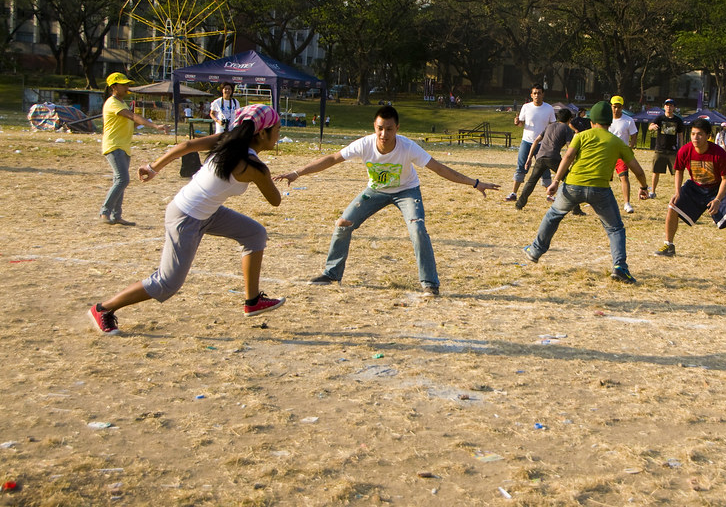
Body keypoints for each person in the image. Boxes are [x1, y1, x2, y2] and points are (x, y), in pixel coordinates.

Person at [88, 104, 286, 335]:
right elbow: (275, 200)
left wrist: (154, 167)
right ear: (262, 133)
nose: (279, 135)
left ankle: (252, 302)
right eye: (278, 129)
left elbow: (187, 145)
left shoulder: (227, 140)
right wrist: (266, 175)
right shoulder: (254, 167)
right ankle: (103, 309)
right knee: (166, 284)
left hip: (208, 212)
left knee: (255, 234)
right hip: (185, 216)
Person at [276, 105, 498, 296]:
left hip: (407, 191)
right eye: (380, 128)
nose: (384, 134)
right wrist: (297, 172)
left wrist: (475, 183)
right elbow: (332, 159)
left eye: (389, 129)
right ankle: (332, 274)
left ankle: (430, 284)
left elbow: (439, 168)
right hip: (376, 191)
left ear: (397, 129)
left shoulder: (408, 146)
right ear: (374, 127)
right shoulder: (364, 144)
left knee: (417, 228)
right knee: (343, 223)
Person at [523, 101, 649, 284]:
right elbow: (638, 170)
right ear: (609, 123)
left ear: (592, 122)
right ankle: (620, 267)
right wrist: (644, 187)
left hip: (573, 185)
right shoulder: (617, 142)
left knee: (553, 215)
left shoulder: (581, 136)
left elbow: (567, 157)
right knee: (615, 228)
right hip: (600, 190)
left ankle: (535, 251)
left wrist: (556, 181)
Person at [653, 118, 726, 264]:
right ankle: (669, 245)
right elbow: (679, 171)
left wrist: (718, 199)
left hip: (717, 187)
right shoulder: (685, 150)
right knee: (672, 207)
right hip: (695, 186)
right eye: (693, 134)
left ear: (708, 136)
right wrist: (677, 192)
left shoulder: (718, 153)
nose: (696, 137)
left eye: (700, 134)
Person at [100, 72, 169, 226]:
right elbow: (132, 117)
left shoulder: (121, 103)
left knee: (119, 181)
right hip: (114, 146)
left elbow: (131, 122)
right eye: (123, 84)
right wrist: (155, 126)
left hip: (123, 146)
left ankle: (116, 215)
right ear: (114, 87)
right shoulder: (113, 103)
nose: (127, 87)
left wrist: (146, 121)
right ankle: (105, 212)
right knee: (122, 179)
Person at [517, 108, 583, 215]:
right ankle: (576, 210)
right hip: (553, 158)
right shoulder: (566, 128)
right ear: (569, 119)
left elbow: (537, 140)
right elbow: (569, 146)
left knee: (531, 182)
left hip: (540, 157)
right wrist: (572, 160)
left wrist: (529, 158)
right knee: (569, 180)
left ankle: (519, 204)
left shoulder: (549, 126)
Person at [506, 84, 556, 202]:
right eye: (534, 93)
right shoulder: (526, 107)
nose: (537, 95)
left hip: (542, 144)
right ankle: (514, 193)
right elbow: (521, 124)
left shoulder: (549, 108)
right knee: (521, 166)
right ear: (531, 95)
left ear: (543, 94)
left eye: (539, 93)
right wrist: (517, 122)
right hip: (527, 142)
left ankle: (549, 195)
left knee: (544, 168)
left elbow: (553, 125)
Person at [648, 99, 685, 199]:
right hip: (660, 149)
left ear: (674, 107)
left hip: (673, 150)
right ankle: (653, 192)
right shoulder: (659, 118)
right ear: (664, 107)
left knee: (677, 172)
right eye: (667, 105)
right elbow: (650, 126)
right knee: (656, 171)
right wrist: (653, 126)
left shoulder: (678, 120)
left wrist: (681, 149)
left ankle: (678, 193)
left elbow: (680, 135)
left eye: (671, 105)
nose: (669, 107)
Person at [609, 95, 639, 213]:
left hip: (621, 154)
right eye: (614, 107)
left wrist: (630, 147)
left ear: (622, 107)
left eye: (619, 107)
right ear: (611, 106)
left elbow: (634, 134)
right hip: (607, 153)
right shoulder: (607, 120)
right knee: (603, 178)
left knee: (624, 177)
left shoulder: (628, 120)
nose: (616, 109)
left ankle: (627, 203)